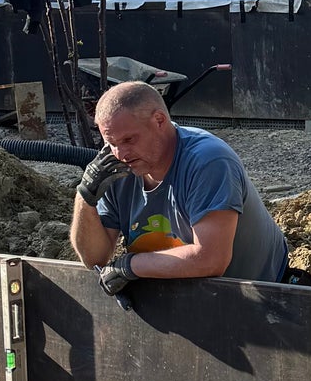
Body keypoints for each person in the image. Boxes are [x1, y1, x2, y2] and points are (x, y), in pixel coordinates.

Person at [71, 80, 291, 299]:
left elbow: (211, 260)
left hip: (259, 301)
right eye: (111, 142)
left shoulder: (208, 161)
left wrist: (131, 264)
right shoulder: (115, 168)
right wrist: (85, 197)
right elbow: (94, 259)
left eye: (129, 139)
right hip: (183, 298)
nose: (120, 154)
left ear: (159, 120)